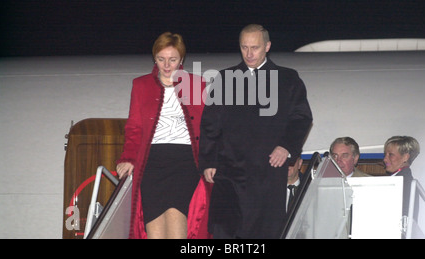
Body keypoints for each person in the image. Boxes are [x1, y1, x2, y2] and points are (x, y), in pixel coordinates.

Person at [199, 24, 313, 238]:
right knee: (225, 232)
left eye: (255, 47)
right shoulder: (224, 79)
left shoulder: (288, 79)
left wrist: (286, 146)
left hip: (267, 174)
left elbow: (302, 117)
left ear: (267, 46)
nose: (249, 54)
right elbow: (210, 124)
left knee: (264, 233)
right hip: (229, 173)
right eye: (244, 47)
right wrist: (208, 161)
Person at [116, 32, 211, 239]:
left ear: (182, 59)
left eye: (172, 59)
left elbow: (209, 127)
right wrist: (128, 158)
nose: (167, 65)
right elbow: (134, 127)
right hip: (152, 164)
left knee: (177, 225)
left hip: (185, 162)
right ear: (154, 58)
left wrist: (212, 160)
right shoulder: (140, 85)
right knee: (154, 230)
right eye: (161, 59)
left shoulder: (197, 84)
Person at [383, 136, 420, 217]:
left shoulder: (403, 183)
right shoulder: (406, 181)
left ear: (405, 157)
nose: (385, 159)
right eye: (385, 154)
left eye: (391, 155)